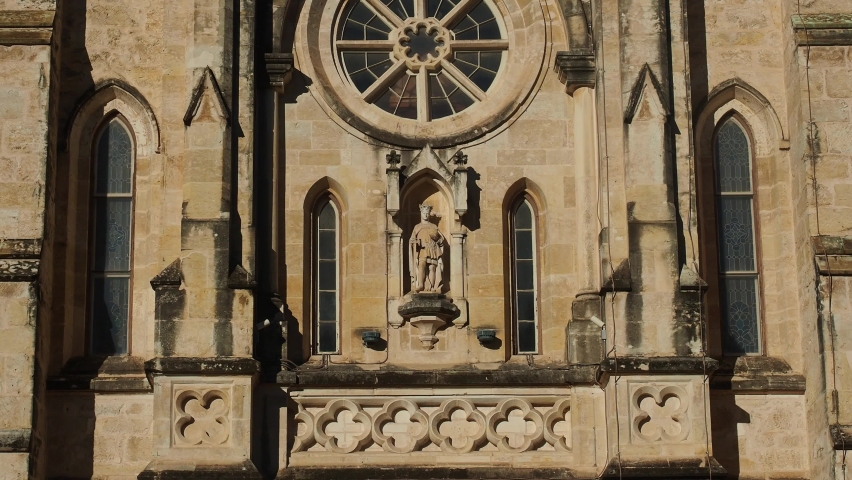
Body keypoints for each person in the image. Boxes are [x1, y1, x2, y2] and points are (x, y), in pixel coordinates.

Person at [409, 204, 445, 293]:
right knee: (422, 266)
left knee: (432, 268)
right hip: (422, 249)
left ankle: (432, 286)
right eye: (424, 213)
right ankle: (421, 285)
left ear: (429, 214)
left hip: (432, 248)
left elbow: (442, 238)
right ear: (421, 213)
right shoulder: (417, 227)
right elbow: (412, 240)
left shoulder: (433, 226)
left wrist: (438, 239)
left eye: (427, 213)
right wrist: (414, 242)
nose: (425, 215)